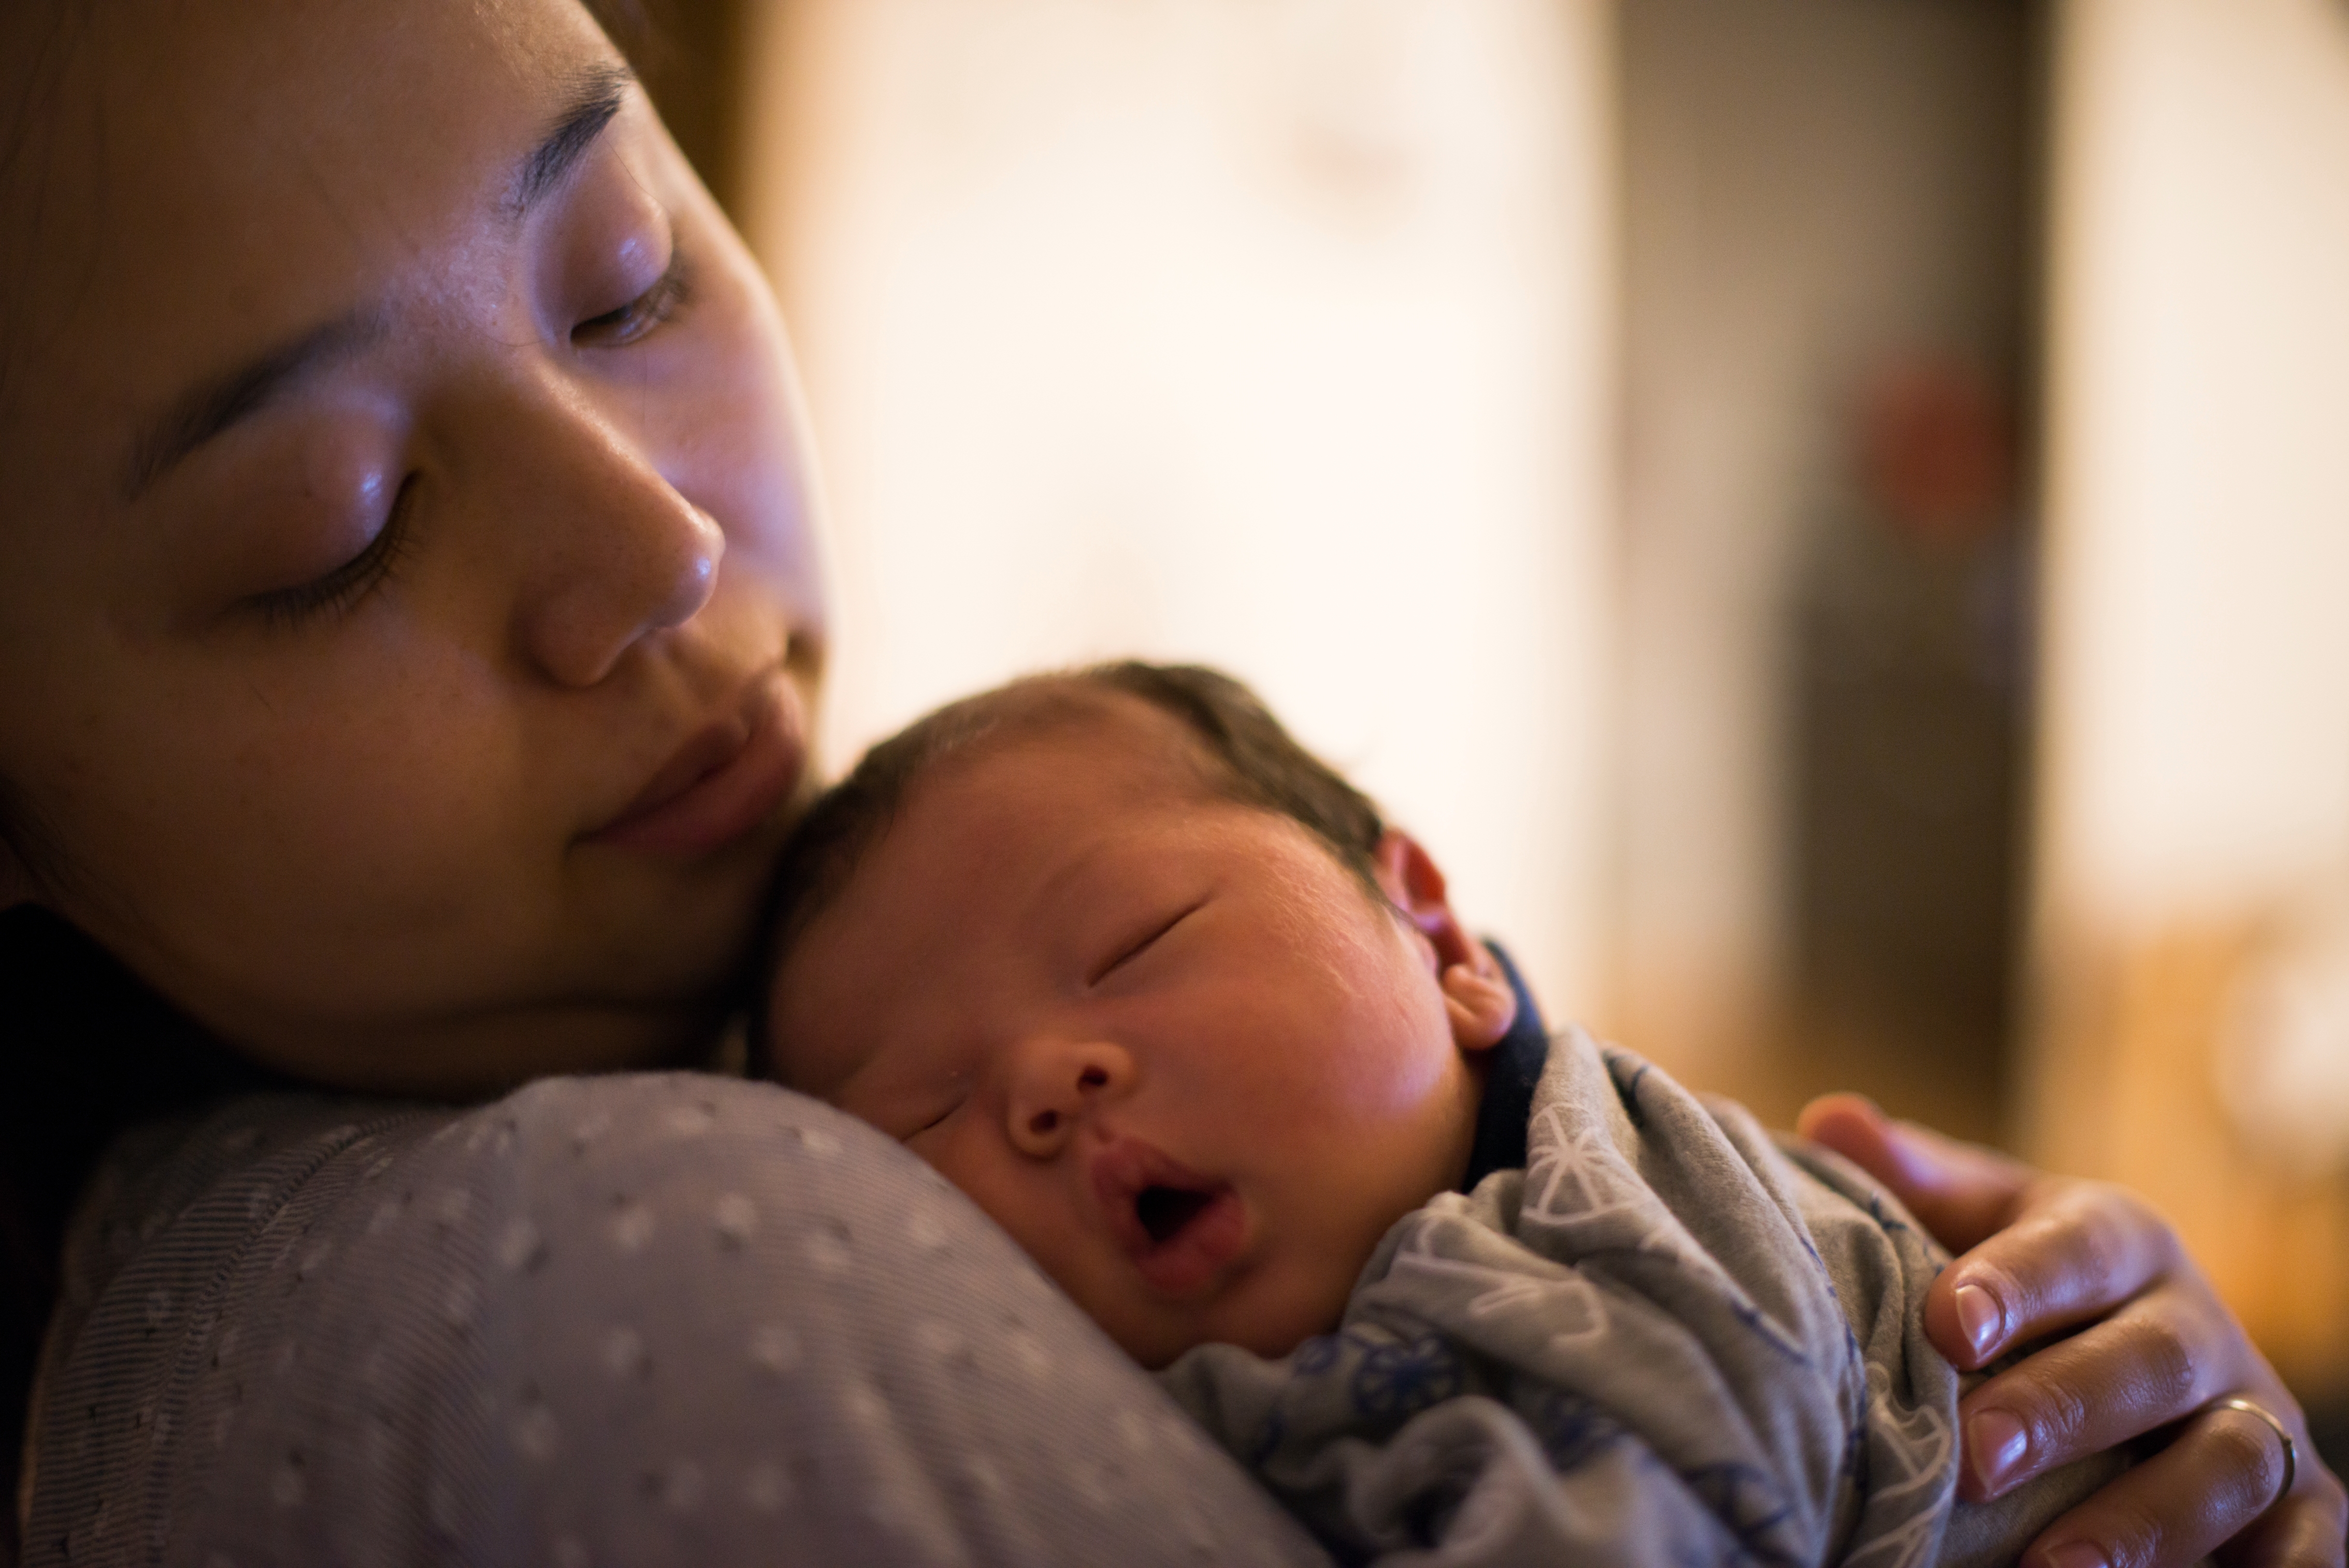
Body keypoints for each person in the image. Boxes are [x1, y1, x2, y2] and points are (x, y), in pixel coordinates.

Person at [0, 1, 2337, 1564]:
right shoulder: (635, 1280)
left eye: (622, 282)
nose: (664, 547)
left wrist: (2100, 1416)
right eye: (336, 525)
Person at [745, 661, 2147, 1564]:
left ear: (1436, 933)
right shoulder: (1170, 1398)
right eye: (927, 1120)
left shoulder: (1605, 1217)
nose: (1047, 1081)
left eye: (1136, 942)